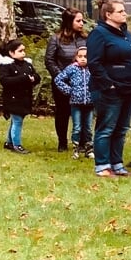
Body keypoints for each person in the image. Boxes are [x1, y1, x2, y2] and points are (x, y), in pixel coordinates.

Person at [87, 0, 131, 177]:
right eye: (120, 11)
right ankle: (102, 165)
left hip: (130, 88)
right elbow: (94, 63)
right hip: (110, 90)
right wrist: (108, 85)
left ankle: (117, 164)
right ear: (108, 15)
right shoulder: (99, 33)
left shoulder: (126, 33)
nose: (124, 13)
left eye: (124, 10)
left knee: (121, 128)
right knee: (107, 127)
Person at [44, 9, 86, 153]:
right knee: (63, 112)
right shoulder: (56, 39)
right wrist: (62, 76)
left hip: (82, 83)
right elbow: (49, 60)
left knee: (82, 112)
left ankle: (82, 142)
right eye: (78, 21)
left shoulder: (84, 39)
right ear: (69, 22)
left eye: (82, 21)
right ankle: (62, 141)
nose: (81, 24)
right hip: (62, 82)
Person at [0, 38, 40, 154]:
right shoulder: (6, 65)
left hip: (24, 98)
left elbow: (36, 76)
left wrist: (34, 78)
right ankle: (17, 144)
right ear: (11, 53)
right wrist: (24, 78)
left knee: (16, 120)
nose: (23, 53)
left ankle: (9, 142)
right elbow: (5, 81)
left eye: (24, 50)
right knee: (17, 121)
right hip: (13, 98)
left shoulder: (27, 64)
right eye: (20, 51)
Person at [54, 47, 94, 158]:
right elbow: (58, 79)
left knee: (88, 128)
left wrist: (96, 93)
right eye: (80, 56)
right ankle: (75, 149)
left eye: (85, 57)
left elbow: (100, 81)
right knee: (77, 127)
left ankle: (88, 149)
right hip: (76, 103)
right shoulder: (72, 68)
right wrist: (69, 91)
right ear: (76, 57)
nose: (83, 59)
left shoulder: (92, 69)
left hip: (90, 103)